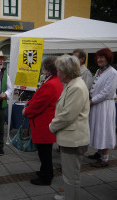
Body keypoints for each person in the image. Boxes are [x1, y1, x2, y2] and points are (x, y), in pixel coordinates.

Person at [49, 55, 90, 200]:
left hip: (74, 139)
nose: (57, 73)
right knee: (70, 175)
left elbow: (67, 115)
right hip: (71, 138)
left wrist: (52, 126)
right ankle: (69, 196)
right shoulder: (73, 84)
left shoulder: (76, 87)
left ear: (66, 72)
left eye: (59, 70)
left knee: (71, 177)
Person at [22, 56, 63, 186]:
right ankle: (45, 171)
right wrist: (29, 103)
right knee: (45, 151)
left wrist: (26, 111)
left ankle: (46, 177)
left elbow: (40, 103)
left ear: (47, 68)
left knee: (44, 152)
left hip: (44, 123)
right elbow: (38, 98)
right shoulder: (54, 80)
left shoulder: (51, 83)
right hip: (46, 121)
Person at [88, 48, 117, 167]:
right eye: (98, 57)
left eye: (102, 57)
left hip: (104, 106)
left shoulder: (113, 73)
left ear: (108, 58)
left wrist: (91, 101)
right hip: (97, 105)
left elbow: (107, 92)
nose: (99, 59)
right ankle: (99, 153)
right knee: (98, 129)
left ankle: (104, 159)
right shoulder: (100, 71)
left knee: (104, 130)